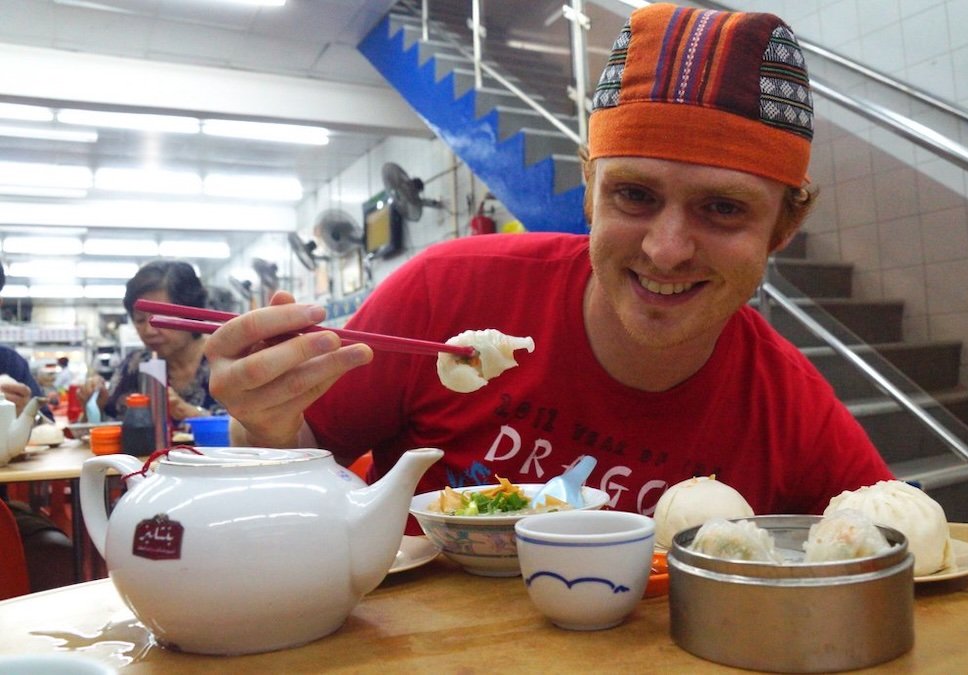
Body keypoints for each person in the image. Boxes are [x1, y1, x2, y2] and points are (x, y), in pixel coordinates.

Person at [204, 3, 893, 521]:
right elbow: (286, 471)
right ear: (591, 189)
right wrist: (261, 425)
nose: (665, 248)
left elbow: (906, 559)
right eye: (634, 194)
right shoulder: (447, 293)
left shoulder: (790, 412)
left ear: (784, 226)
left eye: (723, 209)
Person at [0, 261, 74, 592]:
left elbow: (47, 423)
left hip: (2, 510)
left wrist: (23, 413)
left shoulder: (8, 363)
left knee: (55, 549)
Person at [80, 261, 219, 426]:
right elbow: (110, 427)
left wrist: (194, 415)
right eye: (139, 320)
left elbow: (252, 429)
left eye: (161, 318)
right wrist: (95, 408)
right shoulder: (134, 365)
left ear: (192, 312)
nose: (149, 331)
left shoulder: (227, 358)